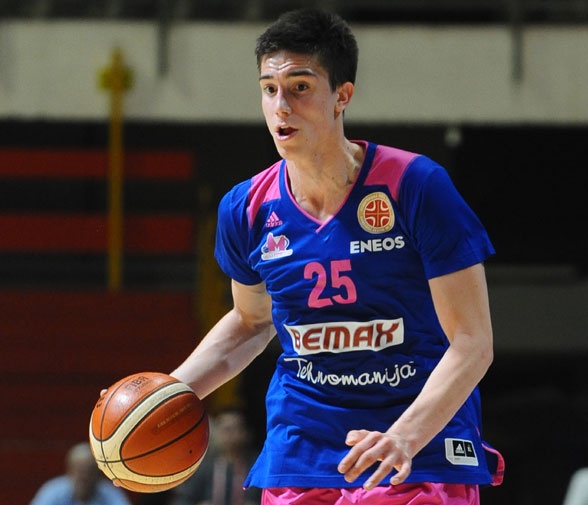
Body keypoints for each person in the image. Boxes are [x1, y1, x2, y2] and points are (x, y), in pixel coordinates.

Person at [171, 8, 504, 505]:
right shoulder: (246, 208)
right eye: (269, 89)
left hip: (417, 447)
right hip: (303, 449)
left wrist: (405, 436)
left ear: (342, 96)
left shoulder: (415, 185)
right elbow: (251, 320)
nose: (281, 106)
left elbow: (473, 342)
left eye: (300, 88)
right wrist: (171, 392)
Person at [175, 407, 262, 505]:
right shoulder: (204, 467)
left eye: (233, 429)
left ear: (246, 433)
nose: (228, 434)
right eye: (224, 429)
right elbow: (183, 499)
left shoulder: (258, 466)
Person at [30, 442, 132, 505]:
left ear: (97, 473)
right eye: (80, 470)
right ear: (69, 470)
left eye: (89, 471)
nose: (84, 476)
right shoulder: (52, 491)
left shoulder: (109, 493)